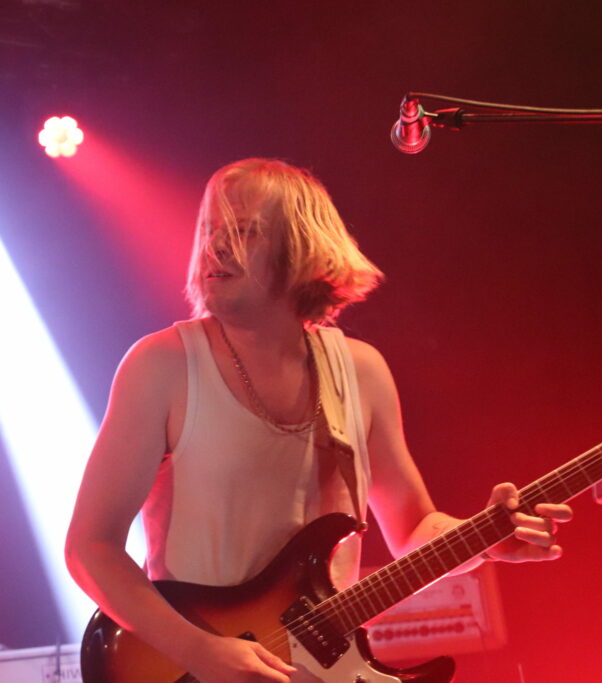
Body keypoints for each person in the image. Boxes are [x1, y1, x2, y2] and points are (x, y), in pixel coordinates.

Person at [65, 158, 572, 682]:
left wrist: (482, 540)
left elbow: (415, 528)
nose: (214, 247)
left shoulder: (362, 371)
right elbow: (90, 547)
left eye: (243, 231)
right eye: (210, 230)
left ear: (301, 247)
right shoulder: (164, 365)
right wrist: (199, 652)